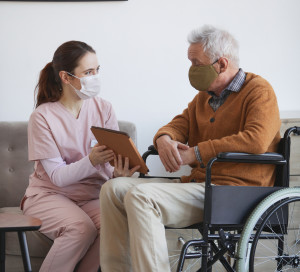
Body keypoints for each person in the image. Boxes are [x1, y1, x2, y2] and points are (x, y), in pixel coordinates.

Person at [99, 25, 281, 272]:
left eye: (196, 63)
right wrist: (164, 139)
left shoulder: (259, 91)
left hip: (234, 192)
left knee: (142, 197)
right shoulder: (203, 98)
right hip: (199, 186)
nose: (191, 70)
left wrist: (196, 152)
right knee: (113, 189)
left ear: (222, 64)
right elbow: (176, 126)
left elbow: (256, 140)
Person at [22, 41, 140, 272]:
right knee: (80, 228)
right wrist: (92, 160)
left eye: (97, 70)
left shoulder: (103, 108)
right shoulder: (42, 117)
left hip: (92, 196)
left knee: (117, 225)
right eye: (88, 72)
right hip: (49, 195)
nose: (95, 77)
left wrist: (118, 174)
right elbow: (57, 177)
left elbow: (110, 169)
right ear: (66, 77)